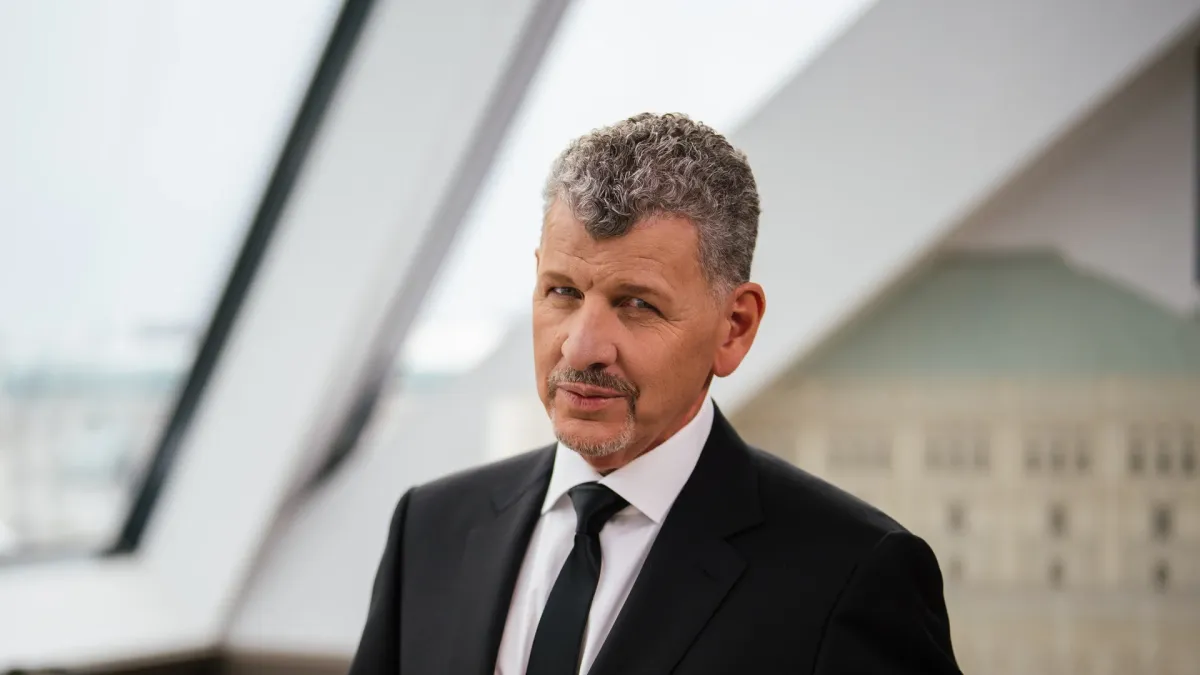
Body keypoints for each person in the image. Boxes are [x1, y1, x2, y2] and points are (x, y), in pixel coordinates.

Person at [348, 113, 960, 675]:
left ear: (735, 327)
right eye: (562, 292)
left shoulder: (851, 575)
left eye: (636, 304)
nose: (581, 347)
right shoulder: (429, 530)